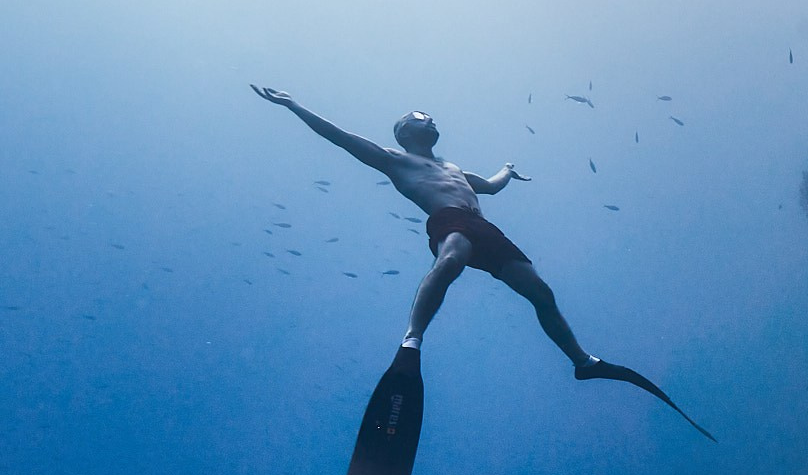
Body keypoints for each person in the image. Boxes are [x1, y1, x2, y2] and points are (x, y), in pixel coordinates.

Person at [251, 86, 713, 444]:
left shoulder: (455, 169)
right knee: (450, 258)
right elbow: (339, 137)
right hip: (449, 221)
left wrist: (508, 170)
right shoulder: (393, 160)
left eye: (430, 116)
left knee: (541, 292)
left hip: (485, 226)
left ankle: (582, 361)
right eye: (421, 117)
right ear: (405, 132)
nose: (430, 119)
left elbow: (489, 187)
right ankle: (412, 339)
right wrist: (294, 105)